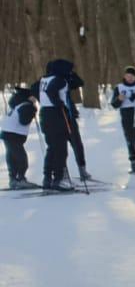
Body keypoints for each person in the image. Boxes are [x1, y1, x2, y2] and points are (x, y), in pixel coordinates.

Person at [36, 60, 76, 192]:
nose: (70, 72)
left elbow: (41, 91)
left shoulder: (44, 78)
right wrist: (59, 104)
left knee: (52, 148)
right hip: (55, 114)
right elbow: (51, 91)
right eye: (69, 69)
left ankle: (47, 178)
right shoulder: (59, 79)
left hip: (44, 113)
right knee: (60, 148)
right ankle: (58, 179)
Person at [3, 84, 38, 189]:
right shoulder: (26, 105)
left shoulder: (17, 104)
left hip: (7, 133)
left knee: (12, 157)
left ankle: (13, 179)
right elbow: (24, 121)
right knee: (21, 158)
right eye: (34, 97)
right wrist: (33, 110)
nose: (36, 99)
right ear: (30, 97)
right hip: (14, 134)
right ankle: (20, 179)